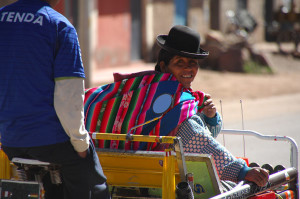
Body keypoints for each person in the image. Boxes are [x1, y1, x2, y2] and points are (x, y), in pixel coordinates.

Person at [0, 0, 110, 198]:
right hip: (54, 142)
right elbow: (69, 96)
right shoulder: (59, 25)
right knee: (96, 189)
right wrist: (81, 144)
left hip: (11, 141)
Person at [154, 25, 269, 188]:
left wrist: (210, 118)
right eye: (180, 62)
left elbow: (203, 135)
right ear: (164, 66)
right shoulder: (176, 104)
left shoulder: (153, 91)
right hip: (164, 181)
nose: (188, 68)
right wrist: (241, 171)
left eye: (192, 62)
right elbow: (196, 139)